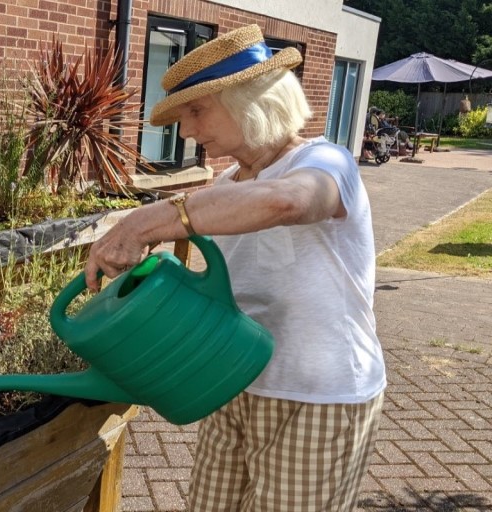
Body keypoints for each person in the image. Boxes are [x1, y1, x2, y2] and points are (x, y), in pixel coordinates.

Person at [84, 24, 386, 511]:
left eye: (197, 110)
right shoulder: (227, 181)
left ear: (252, 98)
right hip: (233, 378)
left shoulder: (327, 161)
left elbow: (289, 202)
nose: (186, 130)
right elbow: (231, 281)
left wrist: (153, 220)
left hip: (318, 391)